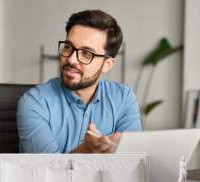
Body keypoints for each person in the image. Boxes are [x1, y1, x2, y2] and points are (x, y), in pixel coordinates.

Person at [17, 10, 141, 154]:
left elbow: (132, 163)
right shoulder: (34, 102)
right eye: (68, 47)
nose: (71, 59)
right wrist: (85, 151)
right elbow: (47, 172)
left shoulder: (123, 98)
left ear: (107, 64)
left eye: (86, 53)